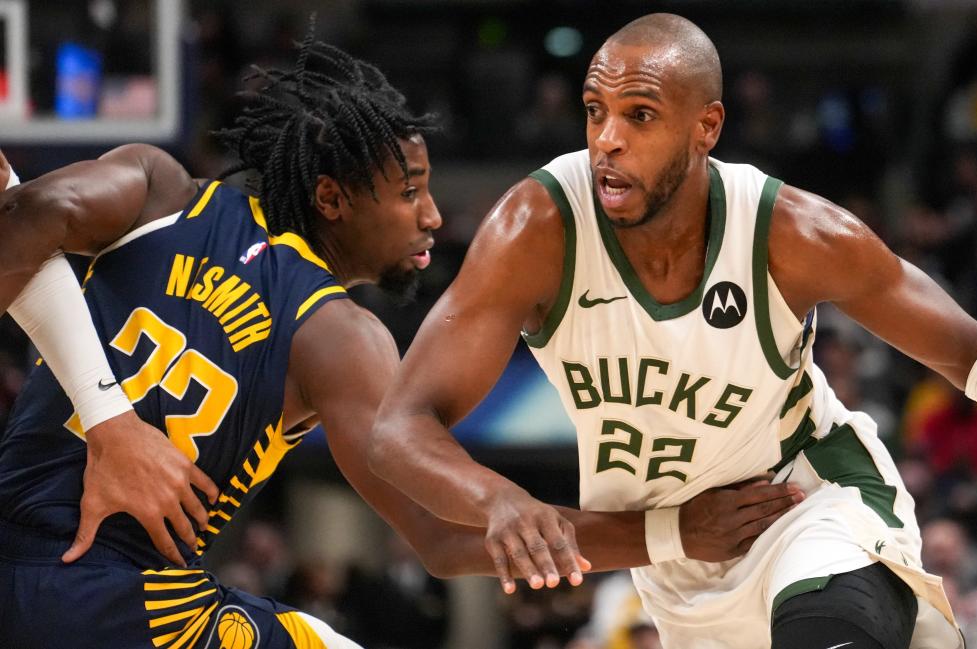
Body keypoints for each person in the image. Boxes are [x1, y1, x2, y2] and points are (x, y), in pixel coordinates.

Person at [370, 14, 977, 649]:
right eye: (595, 112)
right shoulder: (538, 227)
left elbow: (969, 352)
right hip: (675, 563)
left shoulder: (791, 233)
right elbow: (400, 423)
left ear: (705, 127)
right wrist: (502, 500)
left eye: (638, 116)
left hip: (809, 505)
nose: (606, 140)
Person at [0, 35, 799, 648]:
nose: (433, 217)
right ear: (332, 198)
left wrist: (100, 408)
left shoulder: (155, 189)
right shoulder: (339, 335)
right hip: (115, 601)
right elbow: (447, 539)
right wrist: (674, 532)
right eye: (410, 192)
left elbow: (29, 218)